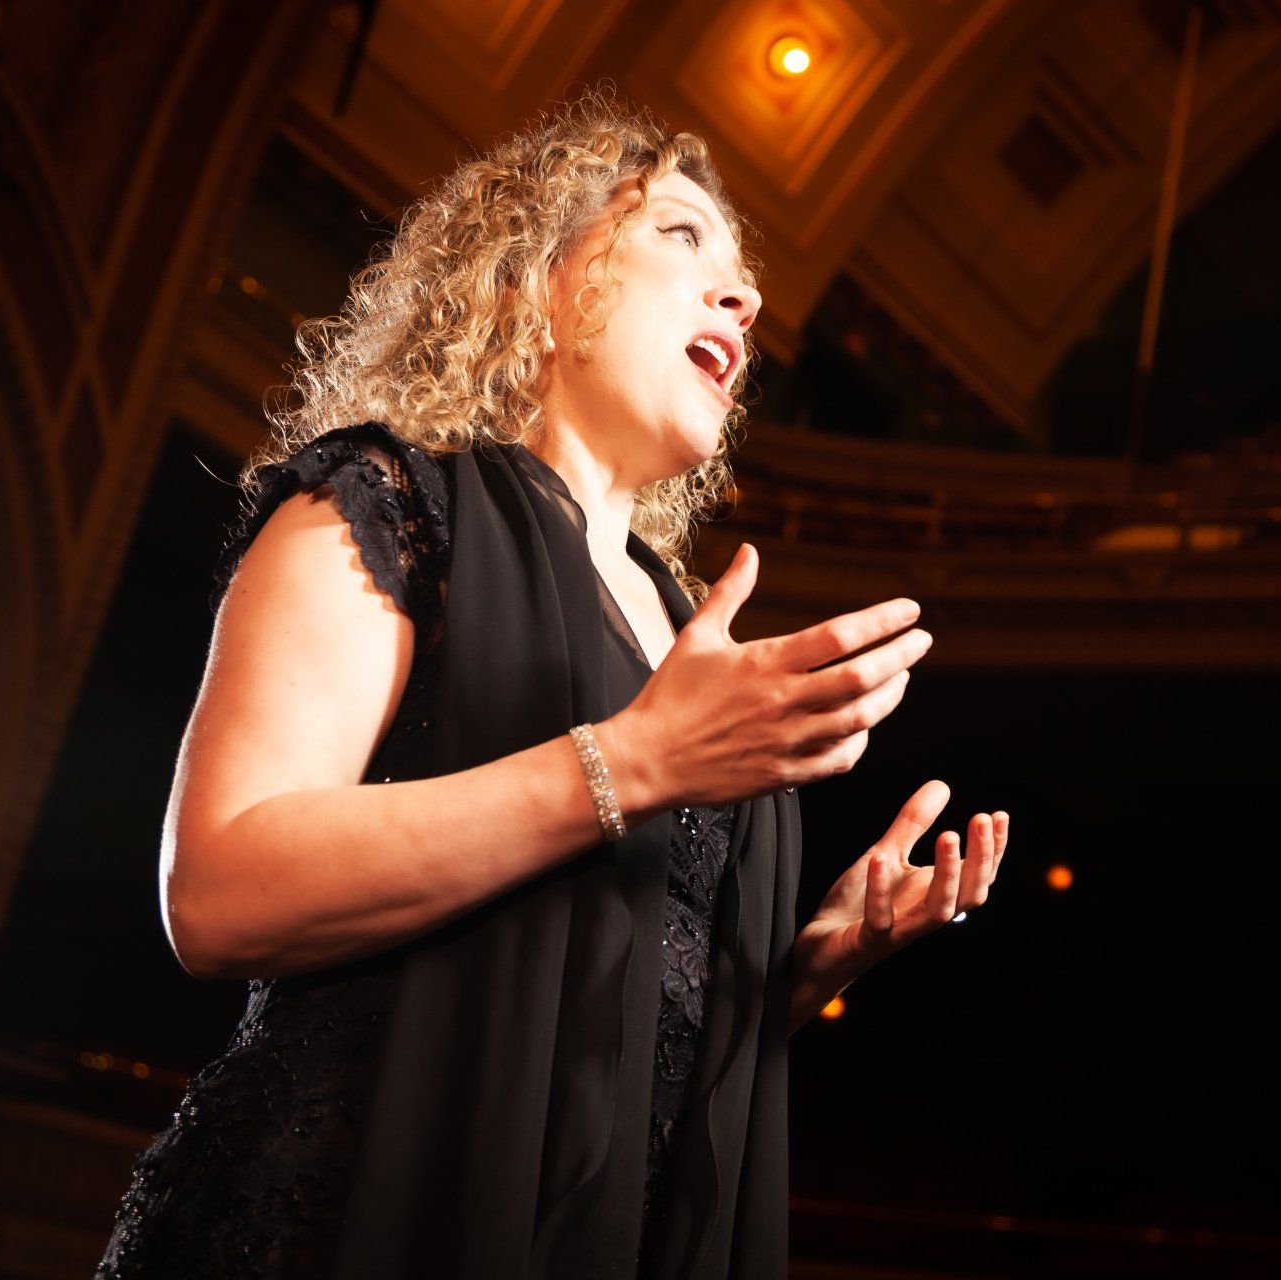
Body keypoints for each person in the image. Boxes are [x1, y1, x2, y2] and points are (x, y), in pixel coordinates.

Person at [96, 86, 1011, 1279]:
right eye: (682, 235)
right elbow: (218, 887)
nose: (745, 297)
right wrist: (635, 761)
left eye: (745, 278)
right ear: (538, 278)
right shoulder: (388, 503)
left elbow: (603, 1024)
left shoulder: (686, 631)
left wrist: (787, 979)